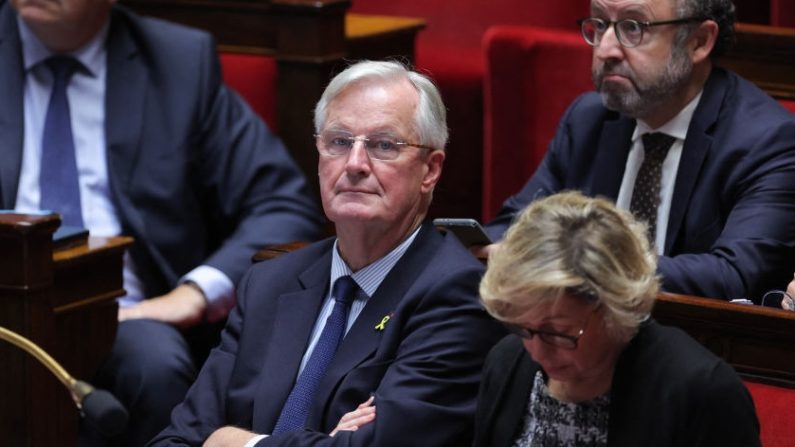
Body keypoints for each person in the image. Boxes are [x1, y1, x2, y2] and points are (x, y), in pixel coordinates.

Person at [1, 0, 323, 445]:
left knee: (156, 367)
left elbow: (282, 203)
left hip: (128, 317)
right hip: (4, 306)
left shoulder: (177, 62)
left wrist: (195, 293)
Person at [148, 60, 506, 447]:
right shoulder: (270, 283)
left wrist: (235, 443)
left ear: (430, 170)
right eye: (338, 142)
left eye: (383, 145)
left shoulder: (457, 294)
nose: (354, 164)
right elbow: (177, 439)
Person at [483, 0, 795, 302]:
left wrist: (583, 264)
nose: (605, 49)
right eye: (600, 24)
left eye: (634, 27)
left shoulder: (767, 141)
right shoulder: (588, 119)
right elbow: (516, 225)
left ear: (698, 41)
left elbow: (736, 276)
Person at [474, 191, 760, 447]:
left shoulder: (702, 392)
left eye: (559, 332)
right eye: (523, 327)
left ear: (616, 308)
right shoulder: (507, 362)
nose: (536, 351)